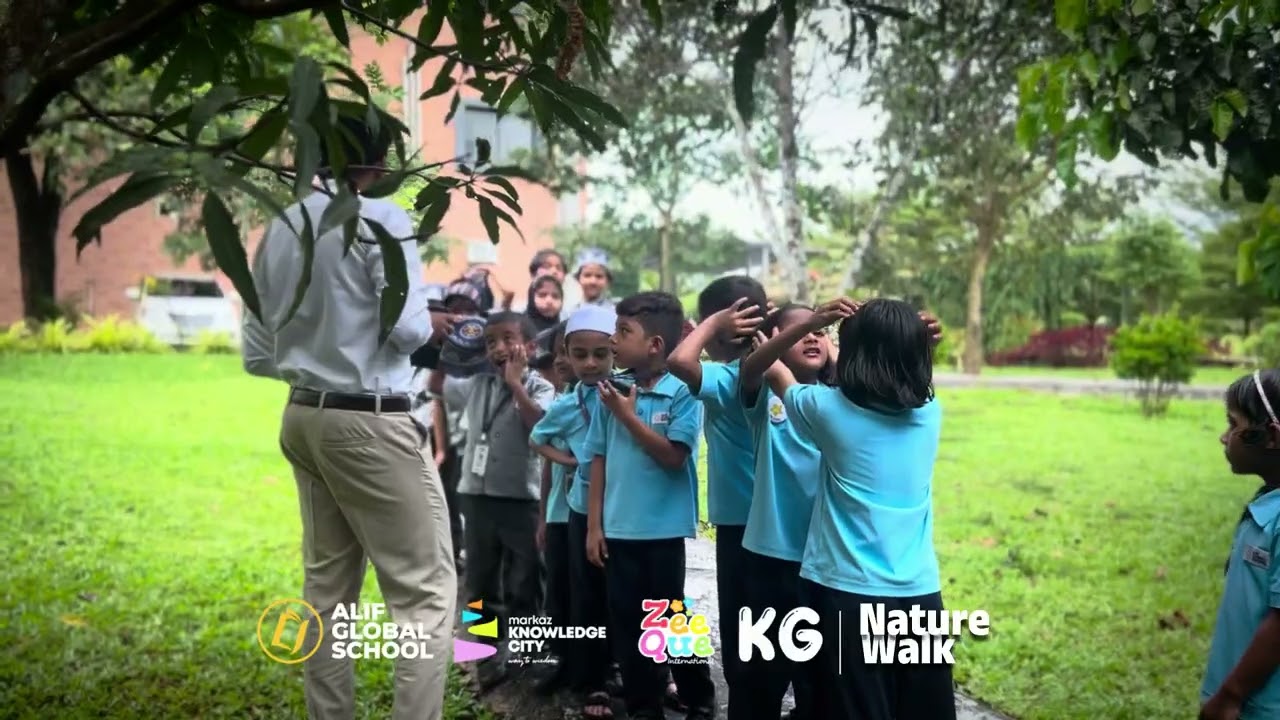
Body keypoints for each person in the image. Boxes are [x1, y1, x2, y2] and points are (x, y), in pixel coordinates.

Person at [241, 115, 456, 720]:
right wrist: (427, 324)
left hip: (303, 416)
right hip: (370, 421)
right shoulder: (380, 218)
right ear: (376, 166)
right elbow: (410, 329)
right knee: (425, 594)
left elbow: (259, 354)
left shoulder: (278, 227)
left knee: (327, 596)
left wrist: (321, 347)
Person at [750, 297, 949, 720]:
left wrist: (808, 325)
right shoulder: (931, 415)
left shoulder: (826, 410)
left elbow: (773, 370)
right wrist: (907, 342)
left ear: (854, 353)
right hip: (920, 594)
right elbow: (897, 370)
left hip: (845, 594)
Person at [584, 291, 716, 720]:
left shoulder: (683, 391)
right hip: (619, 530)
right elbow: (598, 458)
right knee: (626, 620)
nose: (614, 341)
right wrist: (594, 526)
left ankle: (698, 695)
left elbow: (675, 457)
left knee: (671, 616)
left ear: (655, 345)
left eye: (624, 332)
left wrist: (627, 416)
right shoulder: (611, 392)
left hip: (662, 532)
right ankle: (644, 706)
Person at [667, 276, 768, 720]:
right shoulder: (779, 374)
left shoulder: (728, 379)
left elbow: (679, 361)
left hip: (740, 524)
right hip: (780, 524)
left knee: (744, 628)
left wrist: (709, 325)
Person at [733, 303, 837, 720]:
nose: (812, 337)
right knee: (761, 672)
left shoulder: (842, 399)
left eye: (820, 333)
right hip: (771, 553)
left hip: (825, 559)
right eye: (798, 333)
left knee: (821, 674)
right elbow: (751, 368)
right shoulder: (765, 398)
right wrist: (807, 324)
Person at [443, 311, 555, 690]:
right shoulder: (476, 384)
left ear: (532, 346)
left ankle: (528, 651)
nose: (500, 347)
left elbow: (540, 428)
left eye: (508, 338)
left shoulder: (541, 387)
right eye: (491, 342)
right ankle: (484, 655)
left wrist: (516, 384)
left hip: (521, 500)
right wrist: (464, 335)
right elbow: (440, 370)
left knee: (527, 579)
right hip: (475, 498)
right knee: (480, 582)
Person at [531, 305, 620, 718]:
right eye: (579, 354)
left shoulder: (628, 390)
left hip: (627, 511)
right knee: (582, 599)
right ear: (565, 353)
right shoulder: (569, 403)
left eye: (599, 354)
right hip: (582, 511)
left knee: (629, 596)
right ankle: (591, 679)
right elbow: (539, 438)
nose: (589, 363)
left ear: (615, 350)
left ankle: (642, 672)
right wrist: (571, 463)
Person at [1199, 370, 1280, 720]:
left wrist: (1231, 695)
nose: (1224, 437)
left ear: (1271, 436)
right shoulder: (1266, 504)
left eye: (1233, 424)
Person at [569, 249, 615, 314]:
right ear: (578, 278)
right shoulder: (569, 313)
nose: (593, 281)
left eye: (599, 276)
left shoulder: (614, 314)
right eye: (587, 275)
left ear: (607, 280)